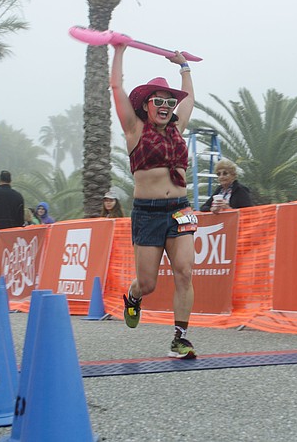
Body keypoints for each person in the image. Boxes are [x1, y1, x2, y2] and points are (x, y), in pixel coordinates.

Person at [110, 40, 199, 359]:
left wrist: (183, 66)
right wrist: (119, 50)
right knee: (147, 284)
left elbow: (189, 98)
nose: (165, 105)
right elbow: (116, 86)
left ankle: (180, 337)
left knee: (184, 272)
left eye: (168, 102)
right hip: (147, 213)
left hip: (180, 210)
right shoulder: (133, 129)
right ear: (146, 105)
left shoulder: (179, 126)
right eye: (158, 101)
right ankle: (133, 298)